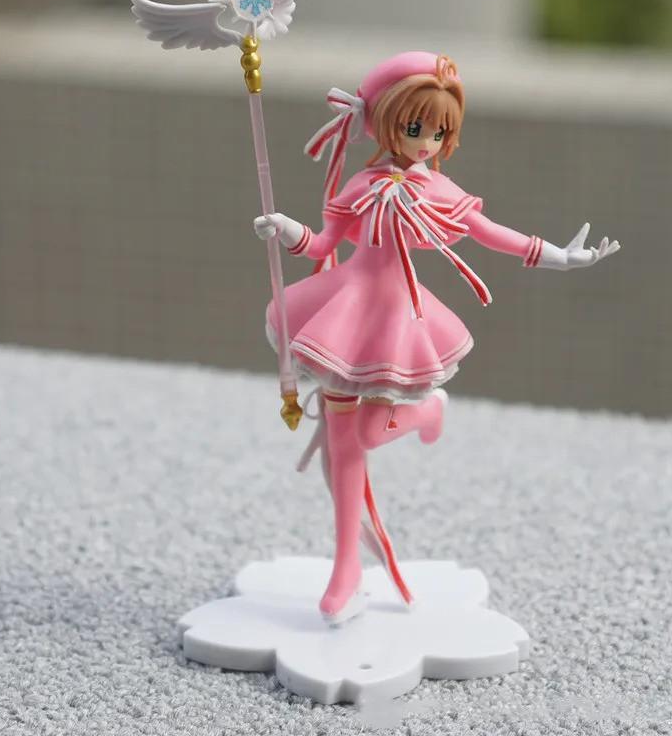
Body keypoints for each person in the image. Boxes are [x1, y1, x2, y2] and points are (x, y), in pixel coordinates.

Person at [254, 51, 620, 623]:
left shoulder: (439, 191)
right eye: (414, 128)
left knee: (368, 432)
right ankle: (347, 567)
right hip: (345, 309)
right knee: (344, 443)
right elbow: (324, 245)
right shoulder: (363, 183)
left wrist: (558, 256)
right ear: (384, 122)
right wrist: (285, 230)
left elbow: (490, 232)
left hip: (396, 319)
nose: (426, 143)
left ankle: (426, 412)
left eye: (439, 132)